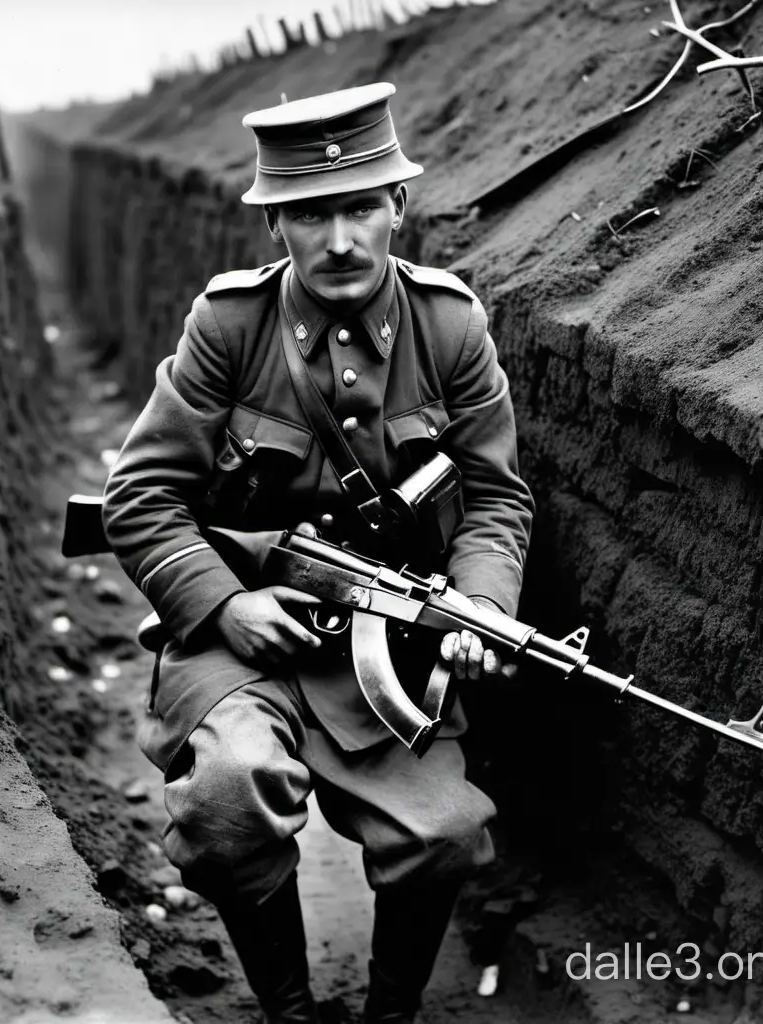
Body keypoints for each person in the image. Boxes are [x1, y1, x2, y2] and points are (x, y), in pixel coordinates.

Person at [102, 82, 535, 1024]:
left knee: (448, 835)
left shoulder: (451, 327)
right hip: (240, 634)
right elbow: (140, 494)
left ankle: (391, 1014)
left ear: (397, 210)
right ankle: (289, 1011)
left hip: (379, 650)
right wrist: (223, 606)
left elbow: (497, 495)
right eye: (310, 213)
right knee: (225, 799)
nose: (338, 240)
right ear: (276, 227)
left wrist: (482, 610)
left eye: (358, 208)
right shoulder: (228, 327)